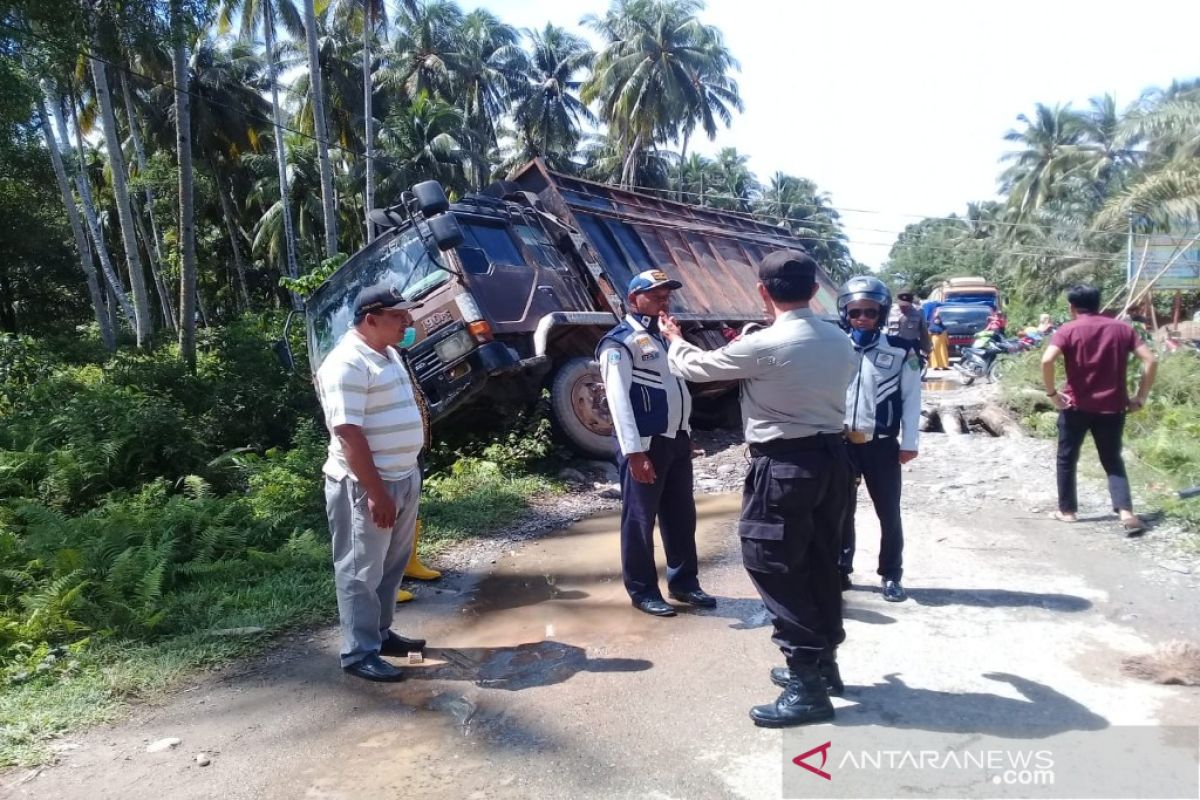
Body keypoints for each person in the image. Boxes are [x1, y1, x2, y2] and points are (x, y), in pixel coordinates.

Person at [661, 250, 855, 728]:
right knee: (819, 559)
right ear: (814, 290)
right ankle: (824, 664)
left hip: (785, 465)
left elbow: (697, 368)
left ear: (763, 292)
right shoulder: (841, 339)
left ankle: (806, 682)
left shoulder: (765, 345)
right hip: (833, 461)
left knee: (773, 563)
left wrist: (672, 339)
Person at [315, 285, 429, 682]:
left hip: (403, 476)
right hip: (366, 486)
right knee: (360, 571)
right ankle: (358, 652)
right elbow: (348, 434)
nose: (408, 322)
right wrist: (377, 492)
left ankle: (380, 635)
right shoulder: (346, 363)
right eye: (399, 316)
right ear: (372, 318)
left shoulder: (388, 353)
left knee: (392, 565)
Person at [597, 270, 714, 618]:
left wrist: (685, 433)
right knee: (639, 520)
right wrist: (634, 452)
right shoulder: (619, 343)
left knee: (681, 516)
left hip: (675, 441)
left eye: (667, 293)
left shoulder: (666, 337)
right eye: (657, 293)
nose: (665, 298)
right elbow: (618, 403)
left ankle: (684, 583)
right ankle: (642, 590)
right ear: (634, 299)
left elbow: (679, 386)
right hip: (646, 445)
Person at [1042, 285, 1158, 534]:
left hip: (1076, 406)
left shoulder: (1068, 329)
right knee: (1112, 459)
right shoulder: (1122, 329)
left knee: (1067, 457)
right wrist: (1140, 396)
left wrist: (1052, 394)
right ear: (1099, 304)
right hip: (1113, 407)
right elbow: (1150, 359)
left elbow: (1047, 360)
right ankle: (1126, 512)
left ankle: (1068, 511)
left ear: (1072, 307)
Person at [836, 277, 922, 602]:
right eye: (855, 311)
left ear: (881, 313)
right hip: (841, 443)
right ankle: (841, 569)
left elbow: (912, 399)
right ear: (845, 313)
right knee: (840, 510)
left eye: (870, 312)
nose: (862, 318)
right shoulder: (835, 347)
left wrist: (910, 442)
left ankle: (891, 574)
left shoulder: (901, 350)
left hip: (882, 444)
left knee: (888, 511)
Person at [887, 287, 931, 358]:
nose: (904, 308)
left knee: (914, 368)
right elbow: (884, 329)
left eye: (906, 306)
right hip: (893, 346)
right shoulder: (890, 311)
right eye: (901, 305)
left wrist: (926, 348)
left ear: (911, 303)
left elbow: (924, 332)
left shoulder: (919, 311)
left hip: (912, 346)